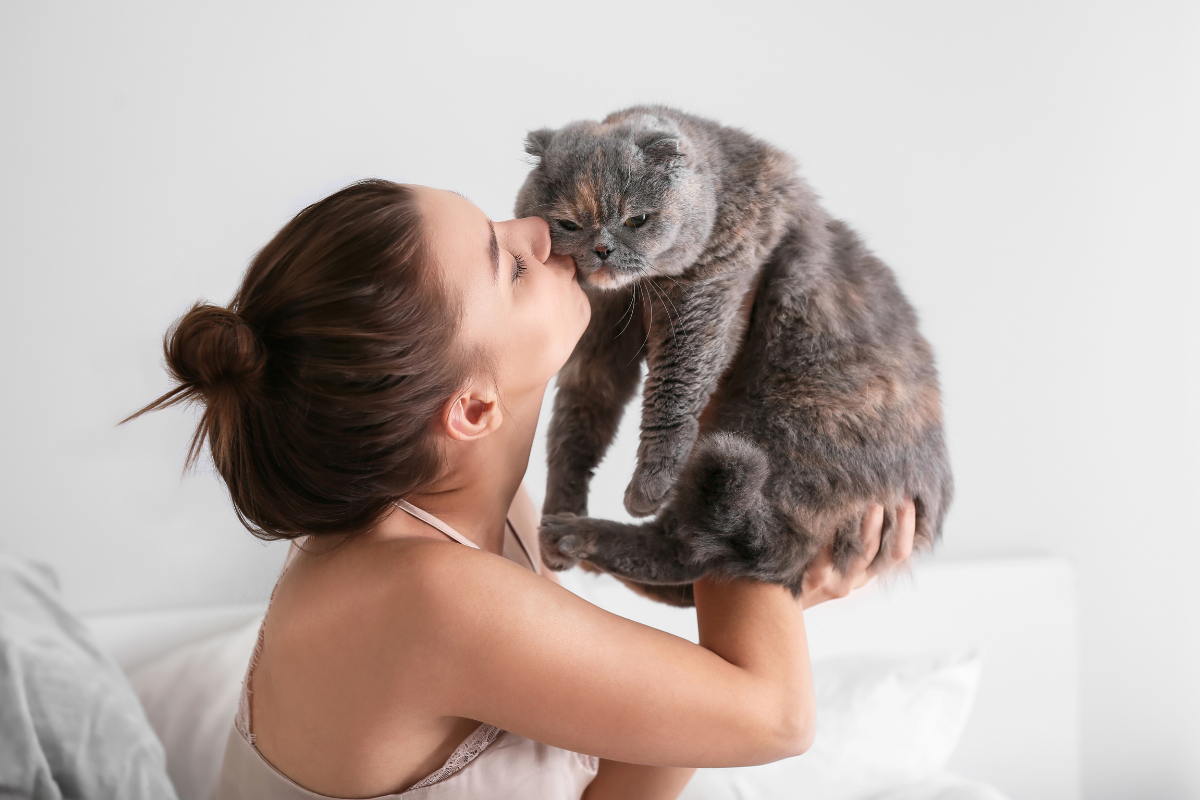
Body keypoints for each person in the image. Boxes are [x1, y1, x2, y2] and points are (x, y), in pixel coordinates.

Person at [123, 179, 916, 800]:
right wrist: (731, 445)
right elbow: (778, 720)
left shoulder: (466, 527)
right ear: (472, 408)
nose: (540, 229)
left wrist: (778, 590)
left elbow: (635, 775)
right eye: (509, 263)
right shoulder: (428, 593)